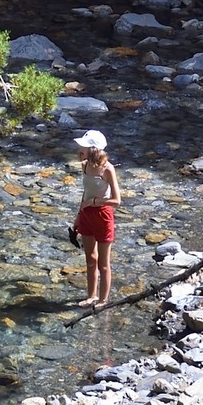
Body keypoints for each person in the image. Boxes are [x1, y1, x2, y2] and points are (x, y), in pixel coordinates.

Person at [73, 129, 120, 309]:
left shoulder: (107, 169)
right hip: (86, 214)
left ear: (93, 150)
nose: (79, 150)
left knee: (103, 263)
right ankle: (91, 296)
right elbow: (85, 192)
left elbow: (116, 200)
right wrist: (78, 216)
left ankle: (103, 300)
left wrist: (93, 202)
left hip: (102, 215)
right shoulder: (84, 165)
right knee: (90, 259)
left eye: (83, 147)